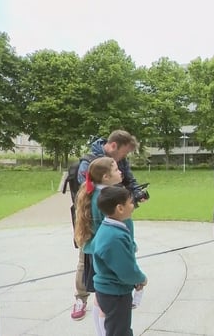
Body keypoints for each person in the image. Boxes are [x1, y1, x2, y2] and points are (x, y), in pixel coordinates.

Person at [71, 130, 142, 320]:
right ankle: (80, 298)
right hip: (95, 236)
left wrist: (134, 194)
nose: (122, 163)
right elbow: (86, 187)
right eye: (123, 154)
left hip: (102, 241)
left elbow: (129, 180)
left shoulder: (112, 172)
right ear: (112, 146)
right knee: (88, 268)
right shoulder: (93, 167)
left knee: (101, 292)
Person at [74, 157, 123, 334]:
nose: (120, 172)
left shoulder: (95, 193)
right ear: (105, 177)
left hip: (95, 251)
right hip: (103, 254)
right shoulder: (103, 198)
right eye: (116, 169)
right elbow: (109, 229)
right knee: (104, 300)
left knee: (100, 299)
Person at [92, 186, 147, 336]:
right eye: (130, 202)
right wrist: (141, 278)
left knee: (117, 329)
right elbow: (126, 270)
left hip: (108, 291)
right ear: (120, 208)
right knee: (120, 331)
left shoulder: (108, 228)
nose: (133, 205)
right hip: (115, 293)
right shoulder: (115, 236)